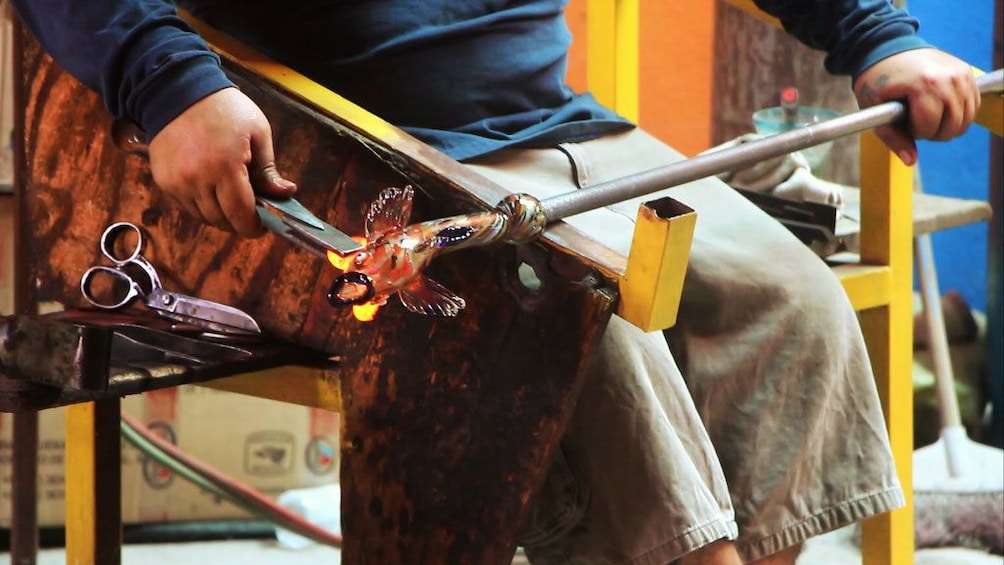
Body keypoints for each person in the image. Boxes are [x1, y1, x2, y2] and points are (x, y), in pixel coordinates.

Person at [11, 1, 981, 563]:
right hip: (339, 144)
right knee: (582, 319)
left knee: (791, 306)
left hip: (556, 130)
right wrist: (167, 77)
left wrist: (873, 33)